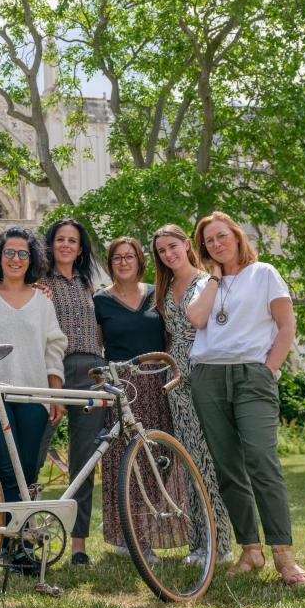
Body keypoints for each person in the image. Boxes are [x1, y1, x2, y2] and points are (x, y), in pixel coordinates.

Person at [187, 211, 305, 586]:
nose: (216, 244)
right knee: (227, 467)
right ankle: (250, 550)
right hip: (207, 377)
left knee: (261, 458)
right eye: (208, 241)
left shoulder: (265, 274)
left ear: (237, 237)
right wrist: (214, 279)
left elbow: (287, 326)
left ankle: (283, 555)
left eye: (222, 236)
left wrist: (268, 369)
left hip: (251, 374)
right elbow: (197, 319)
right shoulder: (205, 283)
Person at [0, 226, 67, 569]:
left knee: (28, 472)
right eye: (9, 252)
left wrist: (54, 392)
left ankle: (19, 542)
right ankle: (14, 548)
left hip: (34, 394)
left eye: (23, 253)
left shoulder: (42, 301)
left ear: (32, 259)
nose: (15, 259)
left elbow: (54, 346)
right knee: (4, 473)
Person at [151, 224, 233, 565]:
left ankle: (221, 545)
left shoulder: (206, 280)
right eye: (161, 251)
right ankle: (200, 543)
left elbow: (207, 323)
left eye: (173, 247)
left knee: (208, 462)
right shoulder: (165, 287)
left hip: (203, 371)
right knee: (189, 463)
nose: (169, 254)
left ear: (186, 245)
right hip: (177, 379)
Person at [93, 236, 174, 558]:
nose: (124, 262)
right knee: (122, 463)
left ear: (140, 261)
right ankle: (128, 537)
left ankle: (146, 529)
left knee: (158, 459)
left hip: (156, 383)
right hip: (122, 387)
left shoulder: (158, 295)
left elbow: (170, 337)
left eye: (129, 257)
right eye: (117, 258)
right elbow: (97, 347)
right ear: (110, 263)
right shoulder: (100, 301)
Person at [38, 218, 105, 566]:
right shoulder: (39, 282)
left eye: (73, 241)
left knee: (85, 459)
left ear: (80, 249)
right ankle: (24, 535)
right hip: (54, 371)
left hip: (93, 372)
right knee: (35, 452)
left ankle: (78, 545)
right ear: (51, 244)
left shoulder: (86, 284)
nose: (66, 245)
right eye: (60, 239)